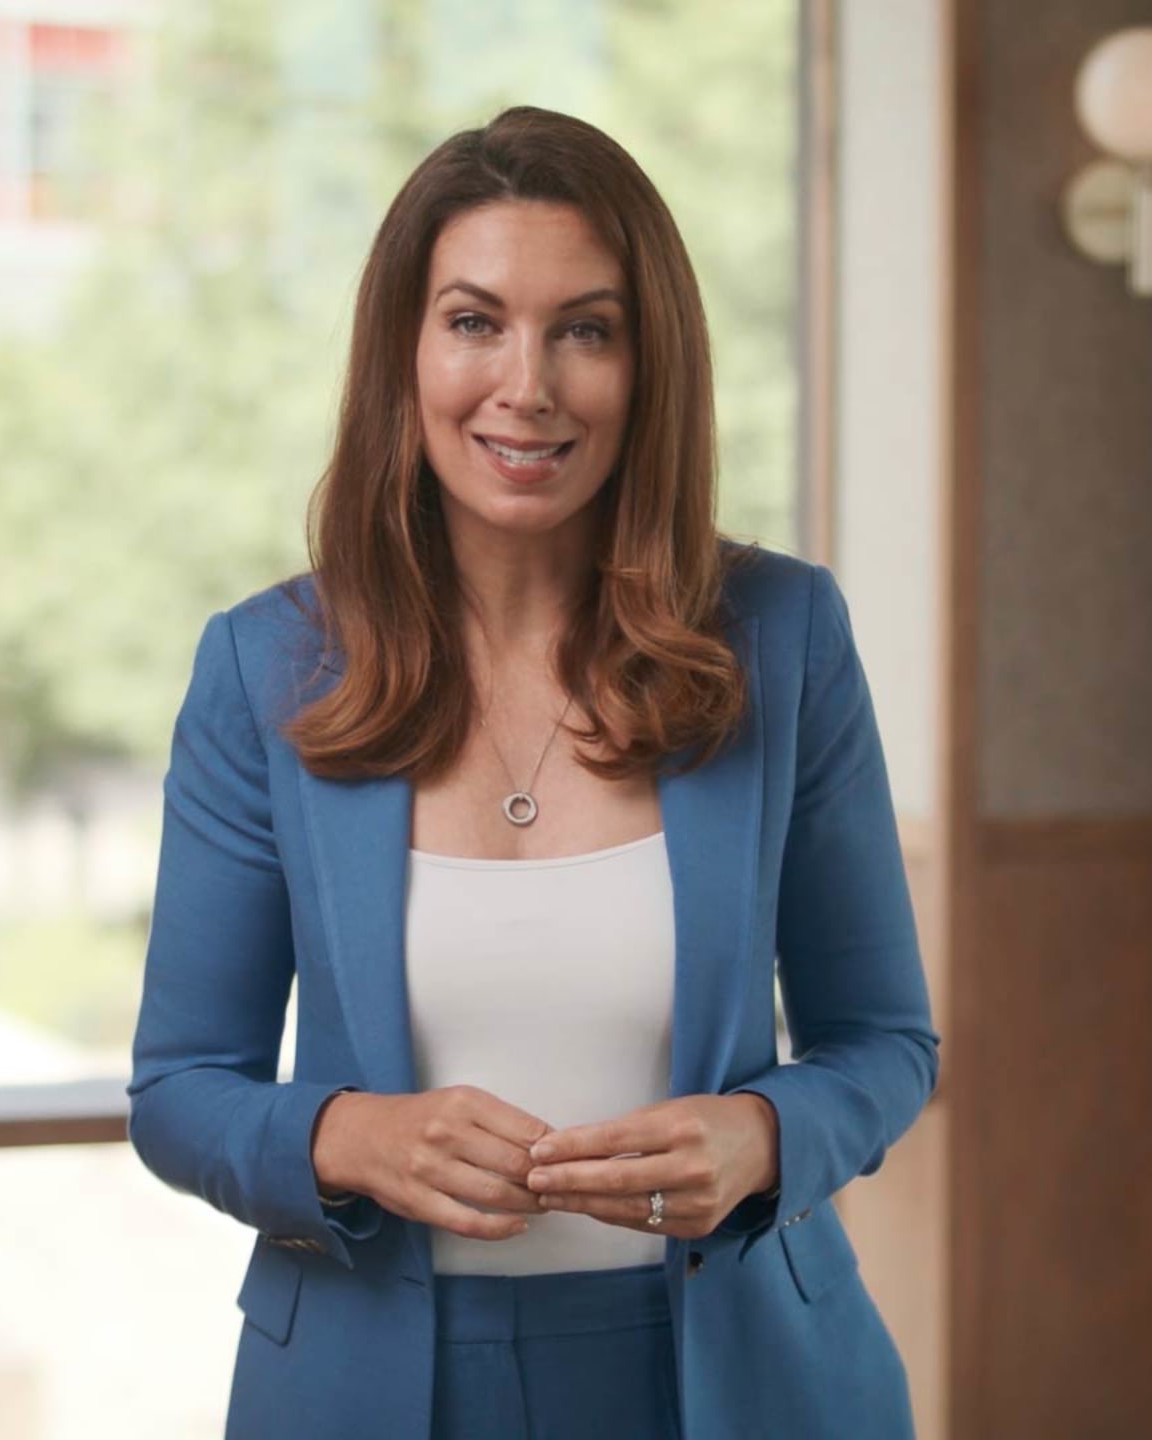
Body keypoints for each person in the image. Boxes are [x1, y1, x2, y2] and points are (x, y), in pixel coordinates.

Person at [125, 106, 938, 1440]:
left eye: (586, 329)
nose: (529, 384)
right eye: (475, 321)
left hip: (730, 1380)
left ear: (646, 362)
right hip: (372, 1382)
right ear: (406, 349)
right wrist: (350, 1140)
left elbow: (886, 1044)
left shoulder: (781, 640)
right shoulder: (262, 670)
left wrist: (764, 1137)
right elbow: (178, 1092)